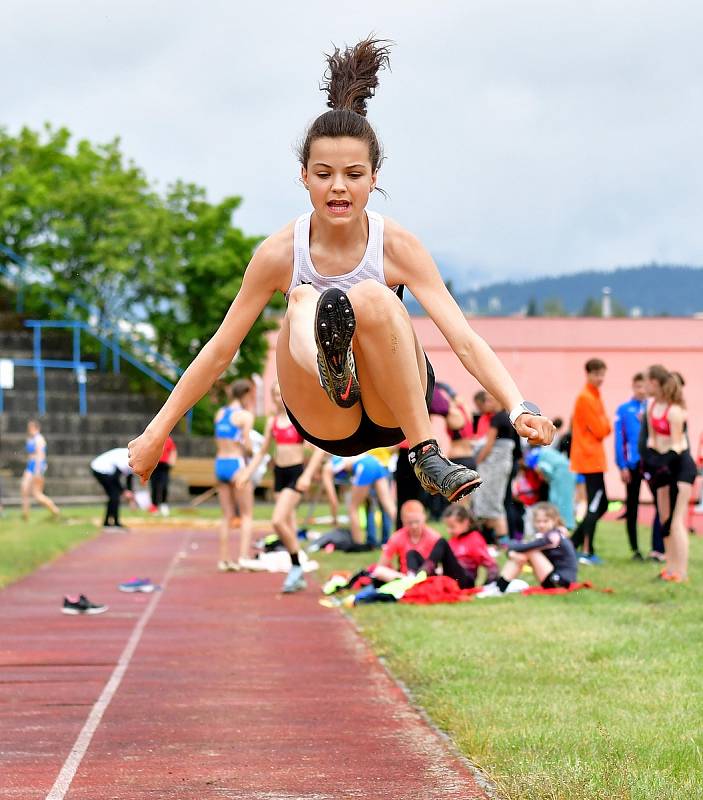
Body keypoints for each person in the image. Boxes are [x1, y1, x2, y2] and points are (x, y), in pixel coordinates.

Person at [127, 37, 554, 503]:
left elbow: (463, 338)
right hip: (327, 412)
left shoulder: (398, 245)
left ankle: (426, 453)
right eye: (324, 173)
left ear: (374, 177)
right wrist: (156, 432)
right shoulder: (278, 253)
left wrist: (517, 406)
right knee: (303, 298)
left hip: (395, 403)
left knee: (372, 294)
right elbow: (220, 351)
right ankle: (334, 369)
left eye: (353, 174)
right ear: (304, 175)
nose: (338, 187)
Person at [236, 381, 326, 592]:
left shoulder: (299, 422)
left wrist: (307, 475)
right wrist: (247, 473)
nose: (278, 398)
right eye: (275, 395)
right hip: (279, 474)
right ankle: (298, 575)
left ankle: (295, 566)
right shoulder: (272, 422)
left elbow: (319, 450)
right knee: (289, 525)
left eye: (281, 394)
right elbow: (262, 452)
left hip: (295, 474)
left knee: (277, 521)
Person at [642, 365, 696, 582]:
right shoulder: (651, 406)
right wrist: (650, 460)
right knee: (664, 520)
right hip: (662, 466)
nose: (645, 386)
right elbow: (652, 440)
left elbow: (676, 445)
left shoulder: (674, 411)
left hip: (680, 466)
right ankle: (670, 569)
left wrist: (661, 461)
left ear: (655, 383)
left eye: (647, 381)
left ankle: (681, 573)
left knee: (676, 520)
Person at [483, 502, 578, 595]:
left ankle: (499, 587)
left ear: (554, 520)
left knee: (530, 552)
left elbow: (526, 547)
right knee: (522, 555)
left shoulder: (553, 537)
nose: (541, 525)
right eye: (538, 521)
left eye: (545, 521)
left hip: (561, 582)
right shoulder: (552, 534)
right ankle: (499, 585)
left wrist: (510, 549)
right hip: (557, 579)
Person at [569, 358, 611, 563]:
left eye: (602, 374)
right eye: (597, 374)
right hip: (589, 458)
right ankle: (587, 550)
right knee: (596, 504)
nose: (600, 378)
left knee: (601, 503)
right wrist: (604, 423)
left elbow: (604, 427)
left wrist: (603, 424)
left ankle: (573, 544)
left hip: (593, 458)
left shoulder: (594, 396)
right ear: (588, 374)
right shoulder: (586, 398)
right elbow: (602, 428)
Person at [213, 379, 255, 573]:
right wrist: (252, 453)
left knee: (226, 515)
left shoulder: (220, 413)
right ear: (246, 394)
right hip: (236, 464)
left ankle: (223, 560)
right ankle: (242, 558)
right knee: (246, 515)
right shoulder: (245, 416)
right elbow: (247, 445)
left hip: (220, 464)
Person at [473, 395, 519, 540]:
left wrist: (478, 461)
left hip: (496, 465)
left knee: (493, 501)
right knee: (500, 499)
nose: (487, 404)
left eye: (489, 400)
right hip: (506, 464)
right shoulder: (509, 418)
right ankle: (498, 537)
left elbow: (489, 445)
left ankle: (502, 538)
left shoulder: (497, 418)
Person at [614, 372, 648, 559]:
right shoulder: (624, 409)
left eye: (644, 386)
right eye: (638, 386)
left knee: (661, 505)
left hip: (651, 464)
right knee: (632, 506)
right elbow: (619, 439)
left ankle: (658, 549)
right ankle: (635, 549)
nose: (641, 390)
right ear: (633, 387)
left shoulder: (651, 408)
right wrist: (622, 465)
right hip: (632, 464)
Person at [442, 504, 498, 586]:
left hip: (465, 579)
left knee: (440, 543)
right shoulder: (453, 540)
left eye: (452, 527)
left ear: (466, 522)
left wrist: (486, 586)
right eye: (448, 527)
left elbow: (492, 566)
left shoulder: (474, 539)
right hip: (451, 578)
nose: (449, 530)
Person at [524, 446, 576, 530]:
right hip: (568, 471)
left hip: (561, 475)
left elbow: (544, 469)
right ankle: (562, 524)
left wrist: (545, 477)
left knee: (558, 501)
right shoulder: (542, 452)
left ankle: (560, 525)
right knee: (565, 500)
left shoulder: (535, 459)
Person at [21, 419, 60, 520]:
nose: (29, 429)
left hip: (37, 466)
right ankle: (25, 513)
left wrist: (38, 470)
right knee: (24, 488)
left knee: (37, 494)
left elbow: (41, 455)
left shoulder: (39, 439)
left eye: (31, 427)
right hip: (30, 466)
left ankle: (55, 510)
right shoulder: (31, 439)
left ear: (36, 428)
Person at [90, 447, 134, 530]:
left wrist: (129, 493)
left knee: (114, 496)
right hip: (100, 469)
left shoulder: (133, 459)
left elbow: (129, 477)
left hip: (107, 471)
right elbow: (115, 479)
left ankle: (109, 522)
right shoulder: (126, 460)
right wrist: (124, 491)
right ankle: (112, 523)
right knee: (114, 496)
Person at [149, 435, 177, 516]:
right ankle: (154, 506)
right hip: (154, 465)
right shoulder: (154, 438)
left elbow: (173, 450)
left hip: (164, 465)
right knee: (154, 486)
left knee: (164, 485)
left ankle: (164, 504)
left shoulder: (168, 439)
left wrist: (172, 461)